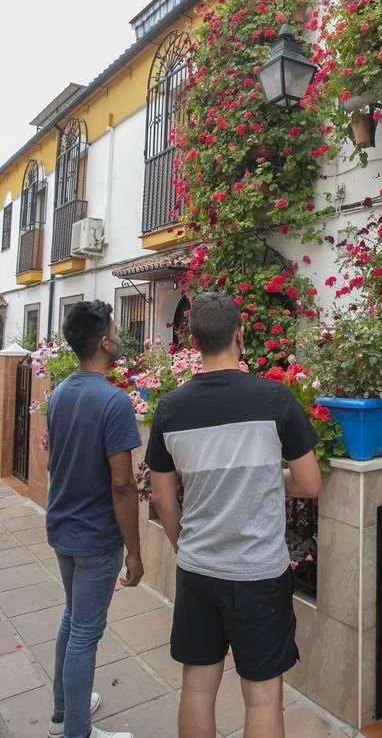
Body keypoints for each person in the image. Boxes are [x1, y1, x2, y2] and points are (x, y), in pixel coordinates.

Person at [146, 293, 321, 738]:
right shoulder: (275, 399)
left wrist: (181, 545)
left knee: (198, 687)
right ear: (240, 335)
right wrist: (267, 477)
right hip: (259, 572)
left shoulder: (170, 409)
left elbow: (163, 497)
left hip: (198, 567)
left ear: (192, 340)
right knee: (262, 695)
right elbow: (309, 484)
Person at [45, 301, 144, 738]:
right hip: (95, 536)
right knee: (86, 630)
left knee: (72, 619)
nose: (119, 337)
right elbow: (122, 485)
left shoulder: (61, 392)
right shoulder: (114, 401)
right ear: (104, 342)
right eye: (115, 331)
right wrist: (135, 552)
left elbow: (61, 457)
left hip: (63, 527)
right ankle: (76, 732)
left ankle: (64, 713)